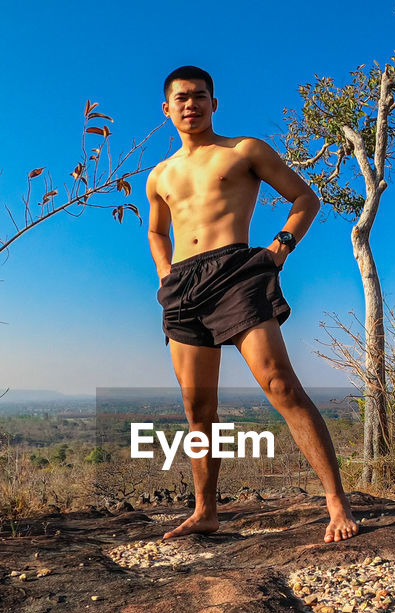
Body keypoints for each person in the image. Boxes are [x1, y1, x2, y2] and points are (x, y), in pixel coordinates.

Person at [145, 65, 360, 543]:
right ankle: (206, 511)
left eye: (200, 96)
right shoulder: (159, 174)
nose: (190, 104)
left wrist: (280, 248)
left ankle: (336, 501)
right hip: (182, 285)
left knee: (280, 384)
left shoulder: (244, 150)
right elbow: (157, 230)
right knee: (197, 407)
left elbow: (305, 196)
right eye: (181, 98)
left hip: (237, 272)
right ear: (167, 109)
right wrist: (165, 272)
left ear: (213, 103)